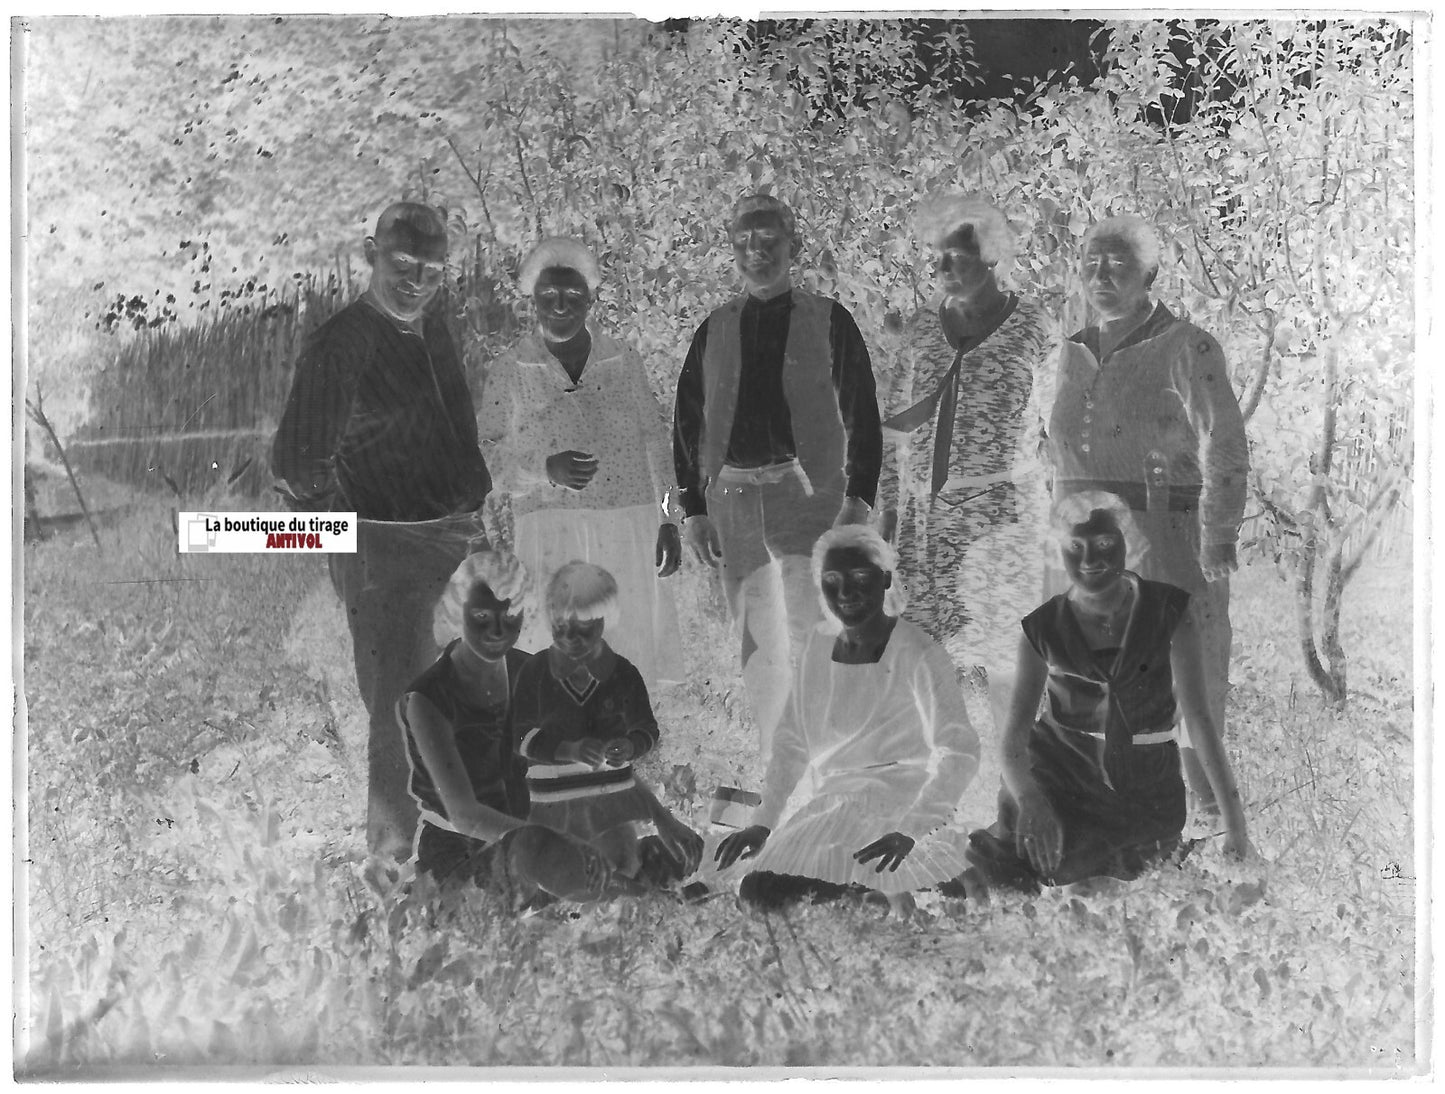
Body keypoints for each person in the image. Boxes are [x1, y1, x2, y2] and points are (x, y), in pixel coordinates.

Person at [271, 201, 492, 860]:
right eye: (402, 264)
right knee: (402, 702)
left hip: (455, 541)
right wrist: (350, 527)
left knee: (468, 694)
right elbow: (295, 464)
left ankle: (467, 847)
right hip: (383, 548)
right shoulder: (343, 341)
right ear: (372, 254)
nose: (415, 279)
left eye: (430, 268)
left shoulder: (436, 332)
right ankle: (392, 857)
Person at [1046, 215, 1249, 811]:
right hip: (1083, 547)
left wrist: (1217, 536)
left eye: (1117, 264)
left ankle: (1211, 814)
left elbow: (1228, 444)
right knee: (1090, 681)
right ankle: (1105, 814)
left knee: (1186, 682)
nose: (1100, 276)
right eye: (1090, 263)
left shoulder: (1188, 344)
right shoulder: (1070, 352)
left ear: (1150, 274)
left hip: (1165, 533)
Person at [673, 193, 883, 754]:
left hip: (806, 497)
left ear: (792, 244)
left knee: (816, 633)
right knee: (758, 642)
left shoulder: (829, 320)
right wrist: (690, 510)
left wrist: (857, 502)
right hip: (733, 503)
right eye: (743, 242)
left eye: (767, 239)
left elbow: (862, 412)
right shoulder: (713, 330)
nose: (755, 252)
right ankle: (778, 766)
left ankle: (829, 763)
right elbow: (686, 424)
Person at [963, 492, 1251, 897]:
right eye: (1074, 547)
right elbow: (1013, 739)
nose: (1089, 559)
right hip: (1062, 774)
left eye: (1104, 544)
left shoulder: (1169, 612)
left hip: (1145, 780)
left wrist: (1236, 828)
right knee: (1016, 876)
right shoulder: (1041, 628)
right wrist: (1031, 800)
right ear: (1057, 551)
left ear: (1127, 545)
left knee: (1130, 881)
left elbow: (1199, 722)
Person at [714, 525, 979, 911]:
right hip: (832, 806)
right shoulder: (818, 647)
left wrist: (912, 829)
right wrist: (762, 822)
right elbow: (792, 744)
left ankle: (915, 893)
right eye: (832, 580)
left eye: (859, 578)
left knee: (841, 892)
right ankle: (884, 900)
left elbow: (961, 751)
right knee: (759, 891)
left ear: (885, 579)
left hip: (898, 807)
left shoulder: (919, 652)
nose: (845, 593)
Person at [876, 194, 1053, 733]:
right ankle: (940, 776)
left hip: (1004, 518)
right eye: (938, 257)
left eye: (959, 255)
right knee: (929, 654)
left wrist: (1054, 519)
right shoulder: (922, 330)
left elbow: (1058, 433)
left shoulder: (1033, 329)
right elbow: (892, 429)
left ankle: (1016, 777)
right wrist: (888, 520)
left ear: (993, 256)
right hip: (926, 525)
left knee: (1006, 655)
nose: (945, 268)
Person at [477, 237, 684, 691]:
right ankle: (561, 745)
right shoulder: (511, 367)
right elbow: (487, 455)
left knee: (626, 647)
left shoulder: (623, 359)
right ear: (532, 298)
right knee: (558, 648)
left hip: (627, 521)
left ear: (591, 297)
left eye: (573, 296)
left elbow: (656, 443)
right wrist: (543, 468)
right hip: (551, 527)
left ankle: (626, 743)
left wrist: (669, 520)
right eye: (548, 295)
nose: (560, 306)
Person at [399, 551, 636, 904]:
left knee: (617, 839)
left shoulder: (528, 671)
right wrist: (560, 840)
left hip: (531, 831)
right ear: (456, 613)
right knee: (538, 846)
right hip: (460, 852)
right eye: (482, 616)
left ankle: (577, 903)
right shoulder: (429, 699)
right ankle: (625, 899)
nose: (498, 630)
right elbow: (466, 816)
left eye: (509, 614)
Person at [512, 562, 704, 884]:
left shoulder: (624, 673)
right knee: (563, 877)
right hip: (553, 803)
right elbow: (519, 736)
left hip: (610, 804)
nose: (570, 635)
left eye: (583, 624)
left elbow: (647, 729)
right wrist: (566, 749)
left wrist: (630, 745)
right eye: (561, 624)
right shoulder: (535, 672)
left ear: (606, 619)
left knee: (621, 867)